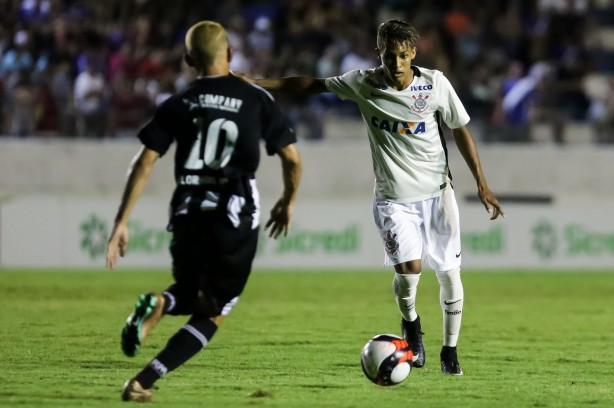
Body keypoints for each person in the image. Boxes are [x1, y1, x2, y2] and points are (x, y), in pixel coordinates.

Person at [236, 19, 503, 376]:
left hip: (439, 195)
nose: (395, 63)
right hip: (393, 199)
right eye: (389, 55)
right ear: (379, 52)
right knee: (410, 274)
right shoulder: (363, 83)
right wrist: (255, 82)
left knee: (450, 276)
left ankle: (450, 352)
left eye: (402, 56)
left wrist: (482, 184)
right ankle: (411, 325)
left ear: (413, 54)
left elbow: (460, 130)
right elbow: (312, 85)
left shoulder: (435, 85)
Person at [105, 20, 302, 402]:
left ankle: (161, 305)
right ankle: (143, 380)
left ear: (187, 59)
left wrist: (121, 222)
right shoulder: (256, 98)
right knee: (215, 309)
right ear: (229, 55)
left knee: (190, 291)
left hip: (186, 212)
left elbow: (144, 161)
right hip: (232, 214)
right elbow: (292, 159)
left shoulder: (178, 102)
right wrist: (287, 200)